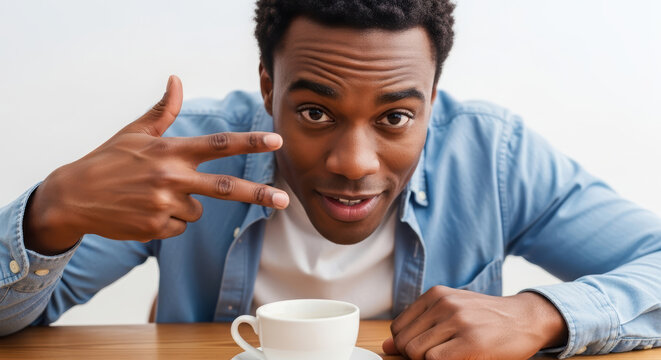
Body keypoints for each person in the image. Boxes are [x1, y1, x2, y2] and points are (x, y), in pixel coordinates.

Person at [1, 0, 660, 359]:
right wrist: (48, 216)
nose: (354, 163)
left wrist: (543, 313)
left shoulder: (494, 155)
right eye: (313, 111)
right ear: (267, 86)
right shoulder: (188, 153)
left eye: (396, 116)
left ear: (434, 95)